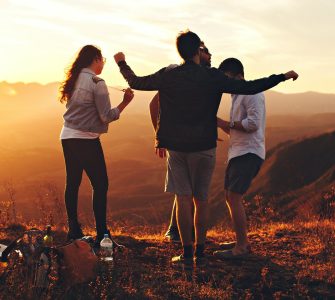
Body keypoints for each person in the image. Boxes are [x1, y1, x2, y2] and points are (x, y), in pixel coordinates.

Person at [114, 30, 298, 265]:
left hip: (177, 147)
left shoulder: (169, 75)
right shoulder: (212, 76)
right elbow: (251, 86)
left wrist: (121, 63)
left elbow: (137, 82)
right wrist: (281, 76)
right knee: (201, 199)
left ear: (180, 51)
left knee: (182, 199)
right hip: (204, 146)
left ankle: (187, 253)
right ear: (197, 51)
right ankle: (201, 251)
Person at [59, 45, 134, 245]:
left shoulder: (74, 79)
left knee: (73, 183)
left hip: (67, 135)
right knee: (100, 184)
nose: (103, 65)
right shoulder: (97, 82)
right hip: (86, 138)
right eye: (102, 61)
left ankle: (73, 231)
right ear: (96, 59)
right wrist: (125, 102)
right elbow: (106, 116)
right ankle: (102, 235)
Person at [149, 42, 212, 242]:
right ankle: (176, 231)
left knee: (187, 190)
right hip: (178, 142)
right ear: (196, 53)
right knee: (184, 190)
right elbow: (153, 104)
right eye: (205, 51)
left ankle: (182, 233)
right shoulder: (177, 75)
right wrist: (160, 136)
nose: (210, 55)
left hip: (195, 140)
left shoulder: (204, 77)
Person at [214, 58, 268, 258]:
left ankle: (242, 247)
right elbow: (239, 129)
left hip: (248, 153)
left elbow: (252, 124)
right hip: (238, 152)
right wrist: (220, 124)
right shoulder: (237, 96)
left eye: (226, 78)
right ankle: (240, 239)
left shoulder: (251, 92)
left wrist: (226, 122)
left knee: (234, 197)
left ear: (238, 76)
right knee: (230, 196)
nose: (225, 83)